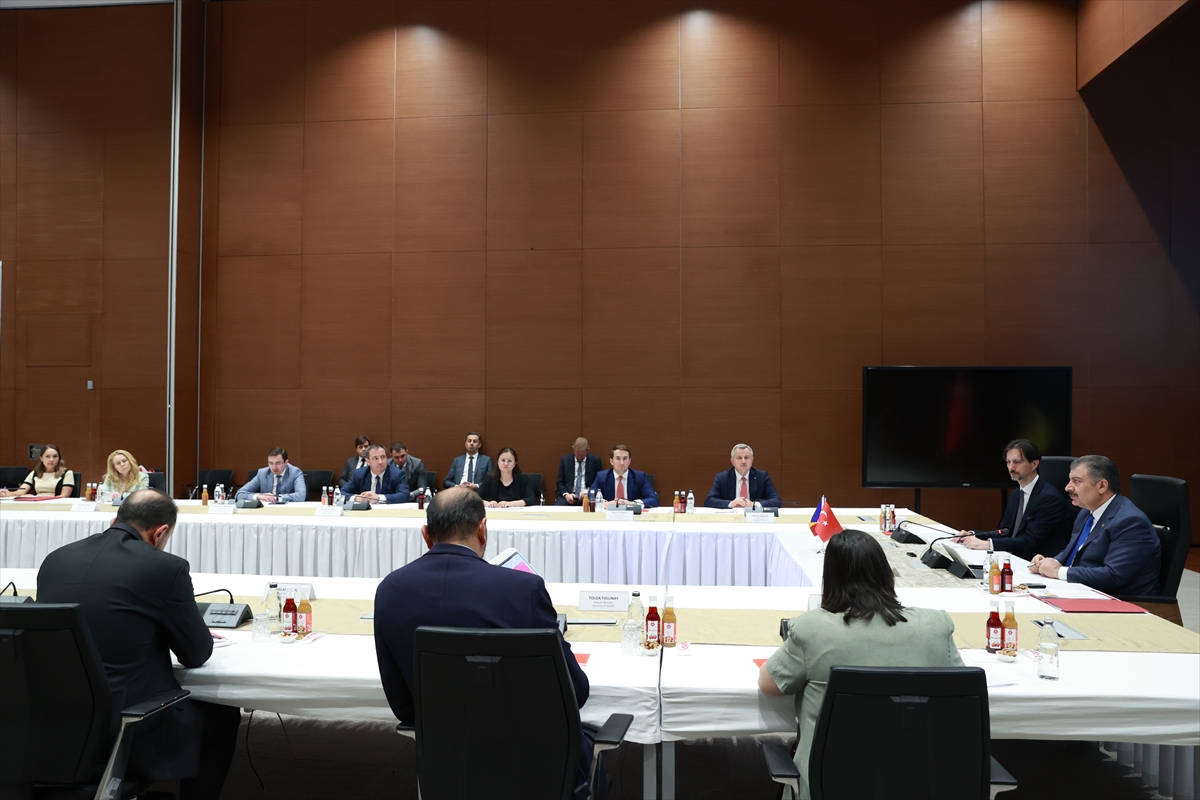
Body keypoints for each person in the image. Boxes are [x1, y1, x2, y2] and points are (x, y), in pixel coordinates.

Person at [373, 487, 597, 799]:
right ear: (483, 529)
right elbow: (576, 692)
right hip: (532, 765)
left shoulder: (390, 590)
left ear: (426, 534)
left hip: (445, 766)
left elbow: (402, 705)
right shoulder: (522, 589)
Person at [36, 490, 240, 800]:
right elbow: (196, 654)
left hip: (52, 721)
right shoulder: (166, 567)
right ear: (160, 533)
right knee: (223, 715)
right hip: (125, 726)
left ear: (113, 521)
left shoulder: (56, 559)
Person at [758, 529, 963, 800]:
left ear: (831, 579)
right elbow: (960, 691)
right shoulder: (935, 626)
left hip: (830, 785)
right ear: (886, 573)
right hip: (919, 783)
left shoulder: (812, 630)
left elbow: (768, 684)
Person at [1029, 455, 1161, 595]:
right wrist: (1049, 562)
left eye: (1077, 481)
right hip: (1082, 590)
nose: (1068, 487)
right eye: (1070, 480)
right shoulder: (1086, 512)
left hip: (1117, 600)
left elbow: (1114, 575)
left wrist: (1058, 571)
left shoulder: (1130, 522)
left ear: (1102, 486)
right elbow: (1076, 551)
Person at [953, 439, 1073, 560]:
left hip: (1036, 563)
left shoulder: (1049, 498)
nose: (1011, 467)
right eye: (1008, 462)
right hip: (1013, 558)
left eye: (1017, 462)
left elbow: (1030, 541)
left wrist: (987, 544)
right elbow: (1004, 532)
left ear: (1034, 464)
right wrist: (973, 535)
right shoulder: (1016, 495)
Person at [704, 443, 782, 509]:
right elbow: (709, 500)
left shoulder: (762, 477)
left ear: (752, 460)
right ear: (732, 461)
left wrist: (754, 505)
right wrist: (731, 503)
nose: (743, 461)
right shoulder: (722, 478)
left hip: (754, 519)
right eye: (739, 458)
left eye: (746, 458)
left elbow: (776, 501)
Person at [589, 445, 658, 507]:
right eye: (618, 458)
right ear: (611, 461)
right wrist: (605, 503)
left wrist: (631, 503)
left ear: (629, 461)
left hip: (632, 514)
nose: (622, 463)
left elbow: (653, 499)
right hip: (609, 514)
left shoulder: (640, 477)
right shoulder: (602, 476)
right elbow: (590, 496)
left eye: (625, 459)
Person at [340, 444, 410, 504]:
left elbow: (405, 495)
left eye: (383, 457)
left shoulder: (397, 474)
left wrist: (378, 498)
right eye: (375, 458)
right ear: (368, 461)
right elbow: (342, 492)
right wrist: (357, 498)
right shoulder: (359, 474)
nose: (380, 462)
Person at [236, 447, 307, 504]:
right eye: (271, 463)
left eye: (278, 463)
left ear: (286, 462)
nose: (274, 467)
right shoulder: (262, 473)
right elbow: (239, 494)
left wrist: (276, 498)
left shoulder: (295, 472)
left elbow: (301, 495)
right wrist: (258, 496)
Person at [0, 444, 75, 497]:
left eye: (55, 456)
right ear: (41, 458)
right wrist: (8, 493)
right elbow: (20, 492)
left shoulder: (67, 473)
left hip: (57, 505)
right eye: (47, 456)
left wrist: (37, 498)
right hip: (37, 505)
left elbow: (64, 496)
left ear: (59, 458)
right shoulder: (35, 473)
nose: (51, 460)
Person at [555, 437, 601, 506]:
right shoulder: (565, 460)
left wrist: (588, 491)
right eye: (577, 454)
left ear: (587, 450)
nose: (579, 457)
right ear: (573, 448)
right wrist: (566, 495)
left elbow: (599, 481)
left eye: (582, 455)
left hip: (587, 495)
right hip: (569, 494)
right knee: (558, 508)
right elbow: (559, 482)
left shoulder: (595, 460)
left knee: (594, 507)